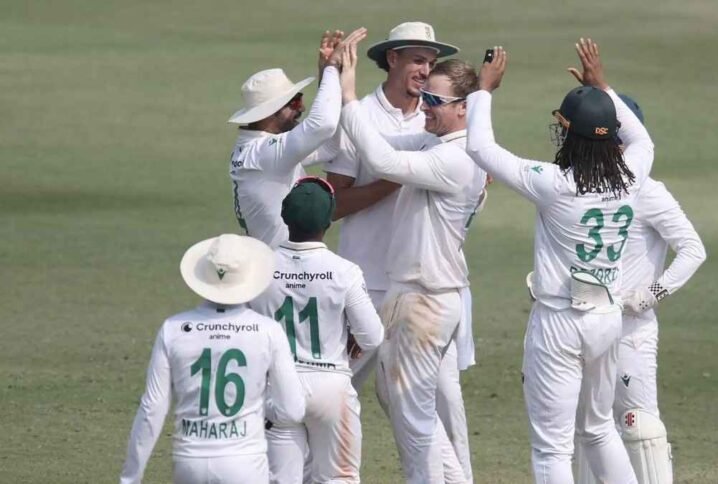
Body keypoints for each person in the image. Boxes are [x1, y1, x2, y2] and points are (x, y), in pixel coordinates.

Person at [466, 40, 651, 484]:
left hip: (559, 322)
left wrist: (483, 90)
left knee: (552, 447)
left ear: (571, 134)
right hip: (607, 318)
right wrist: (603, 88)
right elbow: (641, 138)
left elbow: (480, 148)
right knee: (598, 429)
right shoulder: (633, 175)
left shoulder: (554, 184)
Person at [325, 22, 476, 483]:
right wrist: (333, 86)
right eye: (418, 61)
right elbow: (376, 148)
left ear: (463, 108)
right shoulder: (440, 138)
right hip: (402, 290)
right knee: (407, 406)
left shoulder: (452, 153)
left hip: (424, 298)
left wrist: (346, 93)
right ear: (391, 59)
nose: (426, 100)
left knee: (418, 416)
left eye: (435, 98)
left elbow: (385, 161)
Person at [571, 95, 707, 484]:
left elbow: (693, 249)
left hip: (630, 329)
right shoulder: (578, 187)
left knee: (639, 426)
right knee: (588, 427)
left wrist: (651, 294)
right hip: (584, 323)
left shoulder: (647, 191)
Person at [119, 234, 305, 484]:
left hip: (190, 463)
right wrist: (259, 406)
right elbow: (293, 410)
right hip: (245, 464)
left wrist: (130, 477)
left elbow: (152, 408)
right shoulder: (268, 330)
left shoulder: (173, 328)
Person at [248, 176, 384, 484]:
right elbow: (373, 336)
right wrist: (352, 336)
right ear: (328, 221)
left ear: (285, 217)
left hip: (276, 387)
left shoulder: (259, 267)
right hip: (330, 387)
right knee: (339, 478)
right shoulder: (344, 271)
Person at [229, 28, 366, 247]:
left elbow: (329, 146)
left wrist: (328, 75)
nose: (301, 107)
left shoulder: (257, 148)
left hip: (274, 261)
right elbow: (323, 126)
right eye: (294, 102)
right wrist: (331, 69)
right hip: (275, 264)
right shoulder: (265, 152)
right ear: (269, 113)